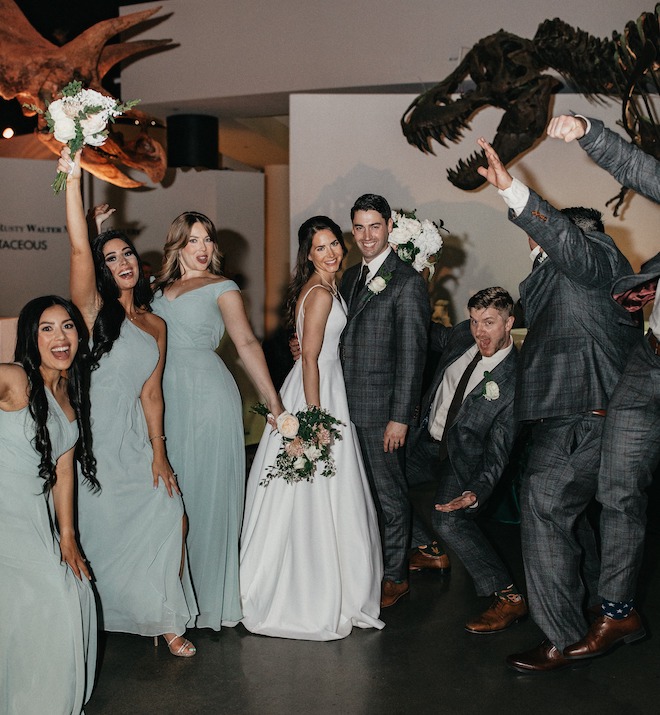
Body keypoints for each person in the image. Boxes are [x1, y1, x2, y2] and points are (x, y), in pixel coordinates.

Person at [476, 137, 641, 672]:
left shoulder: (591, 255)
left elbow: (562, 239)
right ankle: (604, 611)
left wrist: (512, 190)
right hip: (584, 417)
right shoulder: (587, 279)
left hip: (580, 417)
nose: (529, 244)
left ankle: (559, 636)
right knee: (572, 518)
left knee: (544, 509)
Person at [59, 148, 197, 657]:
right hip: (93, 440)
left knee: (170, 515)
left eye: (127, 255)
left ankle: (164, 617)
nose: (123, 263)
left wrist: (160, 452)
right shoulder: (92, 311)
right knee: (98, 534)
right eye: (111, 258)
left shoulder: (155, 323)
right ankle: (91, 616)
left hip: (137, 441)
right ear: (101, 268)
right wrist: (73, 178)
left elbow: (152, 393)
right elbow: (79, 250)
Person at [239, 216, 385, 640]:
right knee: (320, 489)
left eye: (334, 244)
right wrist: (316, 417)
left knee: (317, 491)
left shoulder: (325, 287)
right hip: (317, 391)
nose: (332, 252)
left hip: (321, 384)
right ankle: (311, 593)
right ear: (308, 254)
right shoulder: (320, 292)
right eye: (320, 248)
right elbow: (308, 358)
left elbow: (309, 346)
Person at [546, 114, 659, 660]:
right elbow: (637, 166)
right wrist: (587, 130)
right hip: (649, 362)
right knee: (617, 487)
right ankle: (618, 611)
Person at [151, 211, 284, 631]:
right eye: (192, 240)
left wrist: (275, 407)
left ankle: (207, 600)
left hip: (208, 398)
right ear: (177, 246)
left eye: (207, 239)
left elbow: (246, 343)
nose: (203, 248)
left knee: (206, 497)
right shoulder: (156, 290)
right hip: (164, 399)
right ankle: (171, 598)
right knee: (169, 499)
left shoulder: (223, 288)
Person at [406, 287, 526, 632]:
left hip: (463, 461)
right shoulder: (461, 335)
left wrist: (477, 489)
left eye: (489, 323)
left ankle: (509, 596)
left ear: (509, 323)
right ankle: (426, 549)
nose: (479, 331)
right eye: (474, 321)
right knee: (375, 479)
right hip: (425, 441)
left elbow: (499, 449)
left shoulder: (514, 381)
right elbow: (422, 331)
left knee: (449, 520)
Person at [0, 296, 98, 713]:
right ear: (30, 337)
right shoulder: (15, 379)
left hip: (34, 520)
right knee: (54, 598)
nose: (60, 337)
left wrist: (69, 536)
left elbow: (63, 470)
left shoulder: (66, 394)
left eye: (68, 326)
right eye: (47, 328)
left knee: (76, 591)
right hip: (6, 517)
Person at [339, 194, 430, 608]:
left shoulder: (408, 282)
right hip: (345, 405)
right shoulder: (349, 278)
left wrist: (400, 418)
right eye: (359, 227)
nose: (366, 236)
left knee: (390, 497)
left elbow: (413, 357)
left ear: (390, 226)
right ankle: (371, 565)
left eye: (374, 226)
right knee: (361, 494)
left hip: (382, 413)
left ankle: (395, 576)